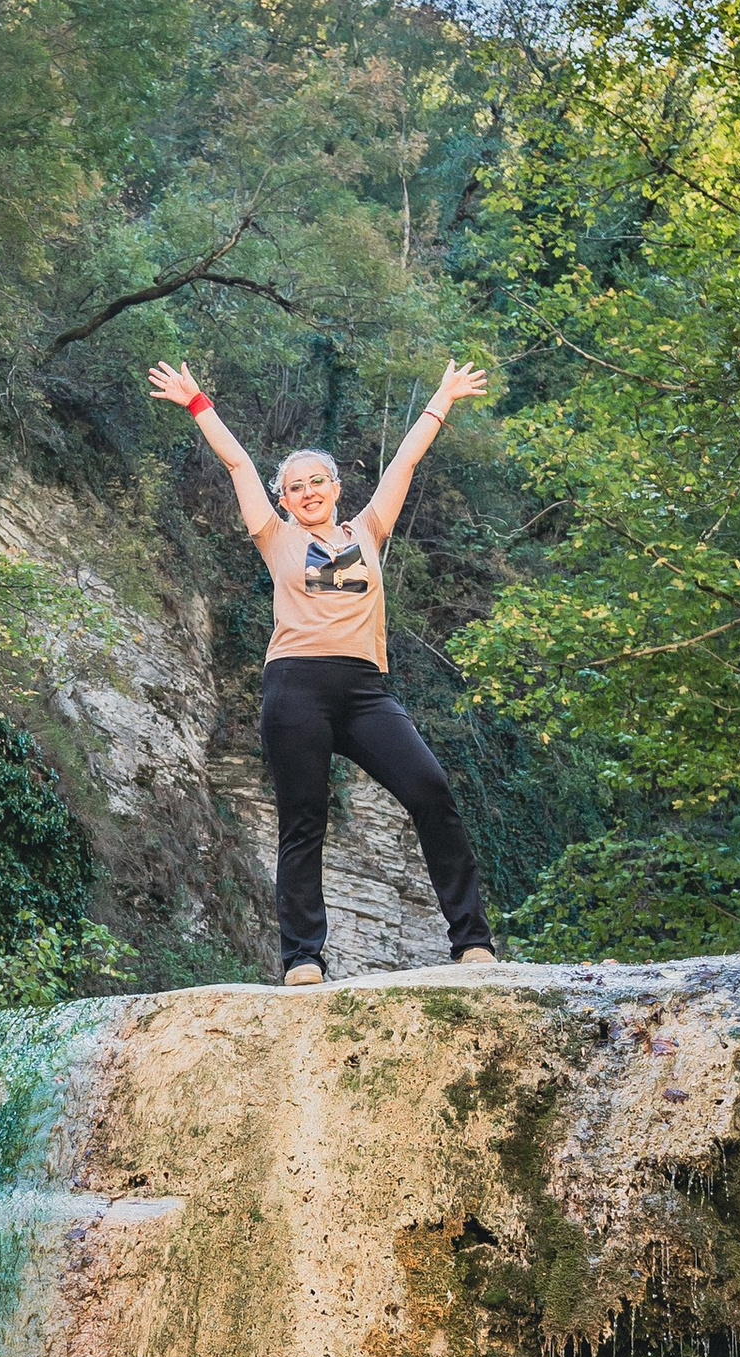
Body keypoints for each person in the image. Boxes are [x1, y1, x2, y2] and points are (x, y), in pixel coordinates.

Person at [149, 358, 498, 988]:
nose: (308, 492)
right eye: (296, 487)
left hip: (366, 692)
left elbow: (405, 464)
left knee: (431, 793)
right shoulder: (275, 537)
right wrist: (197, 401)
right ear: (285, 500)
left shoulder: (369, 528)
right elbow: (238, 465)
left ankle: (472, 941)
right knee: (303, 819)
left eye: (318, 482)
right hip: (296, 686)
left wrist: (442, 398)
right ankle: (303, 958)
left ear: (336, 487)